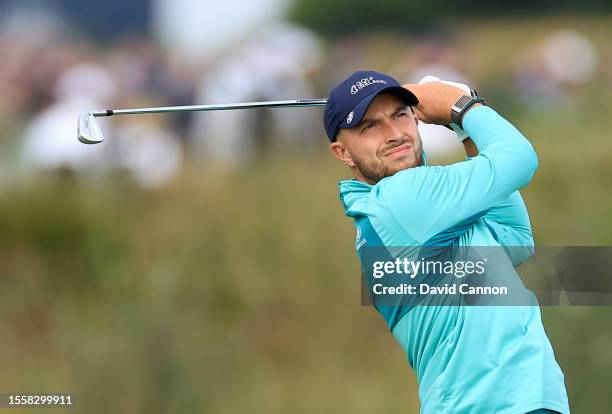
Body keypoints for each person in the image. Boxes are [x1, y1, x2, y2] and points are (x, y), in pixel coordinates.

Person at [323, 70, 570, 414]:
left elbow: (515, 239)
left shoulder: (422, 214)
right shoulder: (400, 199)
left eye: (400, 115)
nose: (395, 134)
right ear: (343, 153)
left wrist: (462, 126)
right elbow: (519, 158)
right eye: (370, 126)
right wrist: (462, 106)